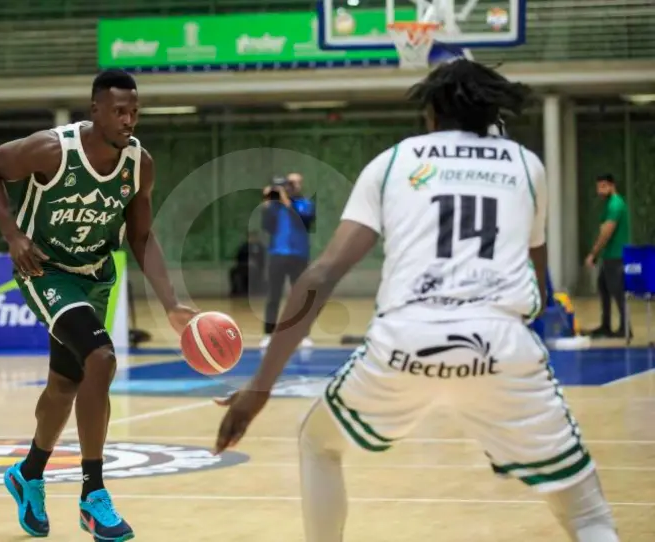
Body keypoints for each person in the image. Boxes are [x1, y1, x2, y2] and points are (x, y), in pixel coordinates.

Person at [215, 59, 619, 542]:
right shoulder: (526, 166)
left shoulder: (392, 162)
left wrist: (259, 388)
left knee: (318, 443)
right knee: (587, 515)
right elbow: (535, 283)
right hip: (500, 342)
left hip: (404, 341)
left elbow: (319, 276)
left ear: (431, 114)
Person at [0, 69, 197, 542]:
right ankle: (93, 495)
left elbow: (140, 236)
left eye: (134, 111)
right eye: (119, 111)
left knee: (64, 384)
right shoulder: (52, 149)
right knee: (101, 359)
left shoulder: (140, 164)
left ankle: (27, 474)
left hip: (95, 276)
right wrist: (13, 236)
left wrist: (172, 304)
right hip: (45, 271)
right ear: (95, 110)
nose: (129, 119)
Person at [261, 172, 316, 348]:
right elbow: (267, 227)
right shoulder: (275, 207)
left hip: (299, 255)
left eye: (295, 183)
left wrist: (286, 201)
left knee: (300, 296)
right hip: (277, 254)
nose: (292, 187)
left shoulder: (305, 204)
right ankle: (269, 333)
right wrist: (267, 204)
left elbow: (304, 222)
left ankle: (302, 335)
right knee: (273, 296)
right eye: (289, 184)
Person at [584, 174, 631, 339]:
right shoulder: (609, 205)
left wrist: (593, 254)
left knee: (617, 291)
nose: (600, 190)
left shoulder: (615, 205)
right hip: (609, 255)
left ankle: (626, 328)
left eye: (603, 186)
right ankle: (606, 325)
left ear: (612, 186)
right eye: (598, 187)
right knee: (603, 288)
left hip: (616, 255)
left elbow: (606, 233)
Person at [229, 231, 265, 297]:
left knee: (252, 270)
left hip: (255, 267)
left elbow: (262, 259)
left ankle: (252, 290)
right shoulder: (244, 246)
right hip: (243, 265)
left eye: (254, 237)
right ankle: (236, 290)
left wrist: (255, 263)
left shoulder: (259, 247)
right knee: (233, 271)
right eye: (250, 237)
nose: (252, 238)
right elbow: (238, 258)